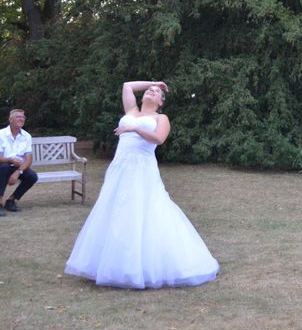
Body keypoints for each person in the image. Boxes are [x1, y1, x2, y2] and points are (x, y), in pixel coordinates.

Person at [65, 81, 219, 289]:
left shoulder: (160, 118)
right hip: (120, 167)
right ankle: (114, 265)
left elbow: (159, 139)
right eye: (149, 90)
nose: (151, 92)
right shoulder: (131, 110)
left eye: (155, 92)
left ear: (160, 102)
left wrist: (135, 128)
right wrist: (154, 82)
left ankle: (145, 266)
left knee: (142, 210)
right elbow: (127, 86)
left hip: (142, 168)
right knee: (115, 210)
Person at [0, 109, 38, 216]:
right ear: (10, 119)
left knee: (32, 176)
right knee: (3, 168)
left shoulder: (27, 136)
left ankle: (11, 201)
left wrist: (18, 172)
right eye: (18, 117)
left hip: (18, 167)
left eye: (23, 117)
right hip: (3, 164)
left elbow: (28, 159)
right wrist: (10, 160)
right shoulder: (1, 134)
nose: (21, 119)